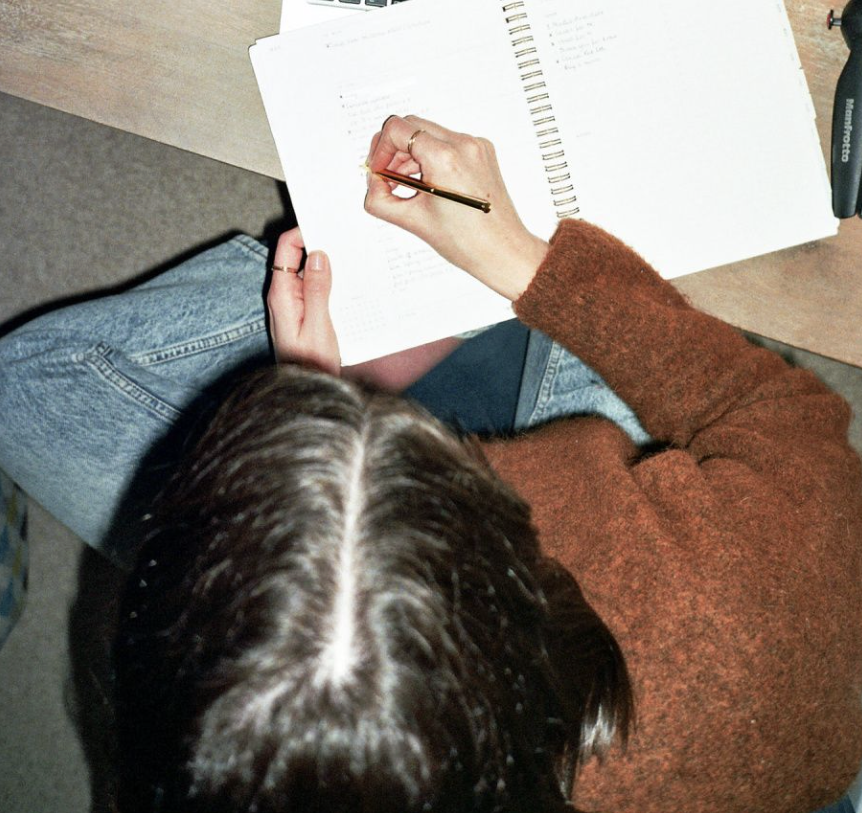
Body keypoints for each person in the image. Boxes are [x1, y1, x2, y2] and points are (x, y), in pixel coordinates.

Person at [1, 114, 861, 813]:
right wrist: (524, 261)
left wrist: (304, 397)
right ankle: (465, 301)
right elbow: (776, 416)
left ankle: (434, 314)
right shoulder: (737, 635)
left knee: (25, 390)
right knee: (614, 216)